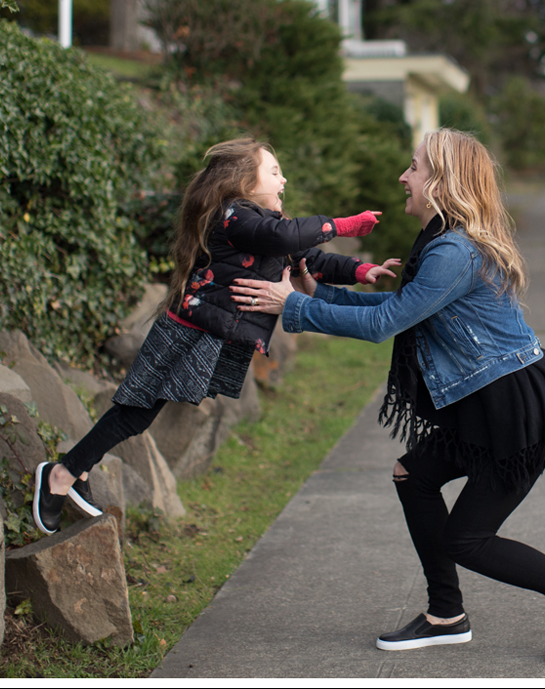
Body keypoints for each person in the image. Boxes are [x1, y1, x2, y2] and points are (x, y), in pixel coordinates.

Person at [231, 128, 545, 666]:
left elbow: (385, 323)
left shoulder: (453, 251)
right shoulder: (439, 243)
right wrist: (309, 288)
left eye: (415, 168)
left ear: (442, 182)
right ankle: (446, 615)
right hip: (490, 402)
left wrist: (293, 306)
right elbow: (401, 309)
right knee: (414, 475)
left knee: (468, 539)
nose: (404, 176)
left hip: (518, 409)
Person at [32, 136, 398, 535]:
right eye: (274, 172)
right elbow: (287, 238)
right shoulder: (233, 217)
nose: (284, 179)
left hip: (206, 334)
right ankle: (61, 475)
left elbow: (308, 258)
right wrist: (342, 225)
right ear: (243, 180)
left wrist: (362, 271)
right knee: (135, 412)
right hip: (185, 332)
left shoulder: (263, 226)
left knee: (139, 414)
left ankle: (75, 469)